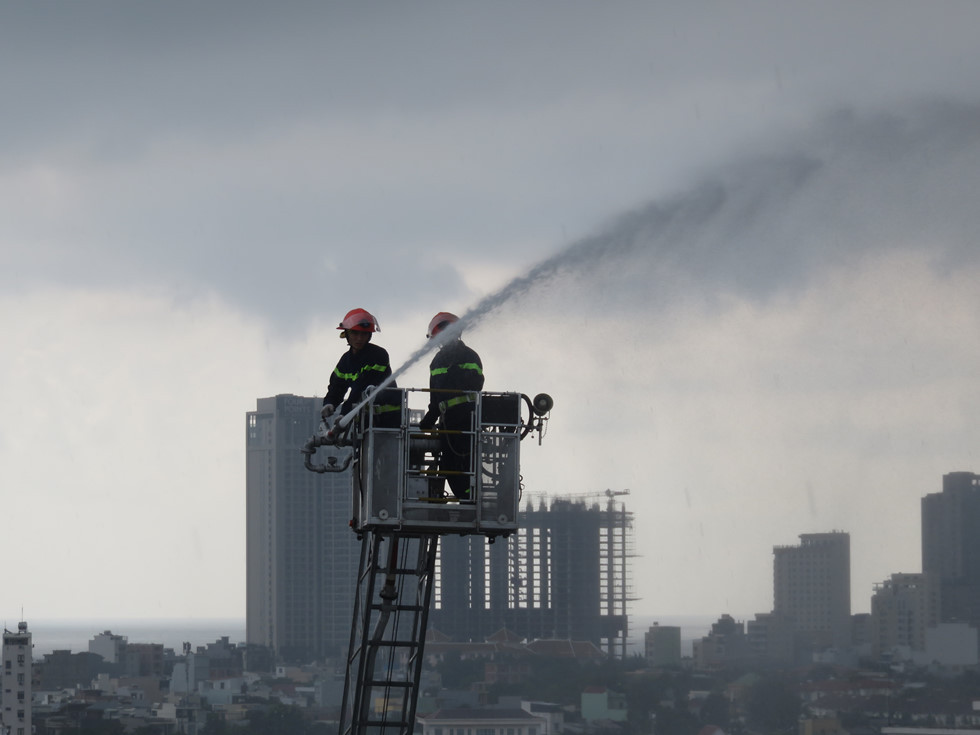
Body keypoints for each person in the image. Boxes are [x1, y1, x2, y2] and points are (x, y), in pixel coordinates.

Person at [418, 312, 484, 499]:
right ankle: (467, 498)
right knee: (448, 465)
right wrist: (429, 421)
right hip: (448, 420)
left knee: (466, 462)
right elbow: (435, 398)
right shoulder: (437, 361)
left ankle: (469, 498)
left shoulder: (470, 356)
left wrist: (453, 374)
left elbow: (476, 383)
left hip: (468, 418)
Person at [322, 308, 401, 429]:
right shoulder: (345, 361)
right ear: (346, 334)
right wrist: (329, 403)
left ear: (369, 335)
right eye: (355, 333)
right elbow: (337, 386)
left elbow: (361, 386)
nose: (359, 338)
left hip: (390, 421)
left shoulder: (378, 355)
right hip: (366, 422)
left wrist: (345, 412)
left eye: (364, 334)